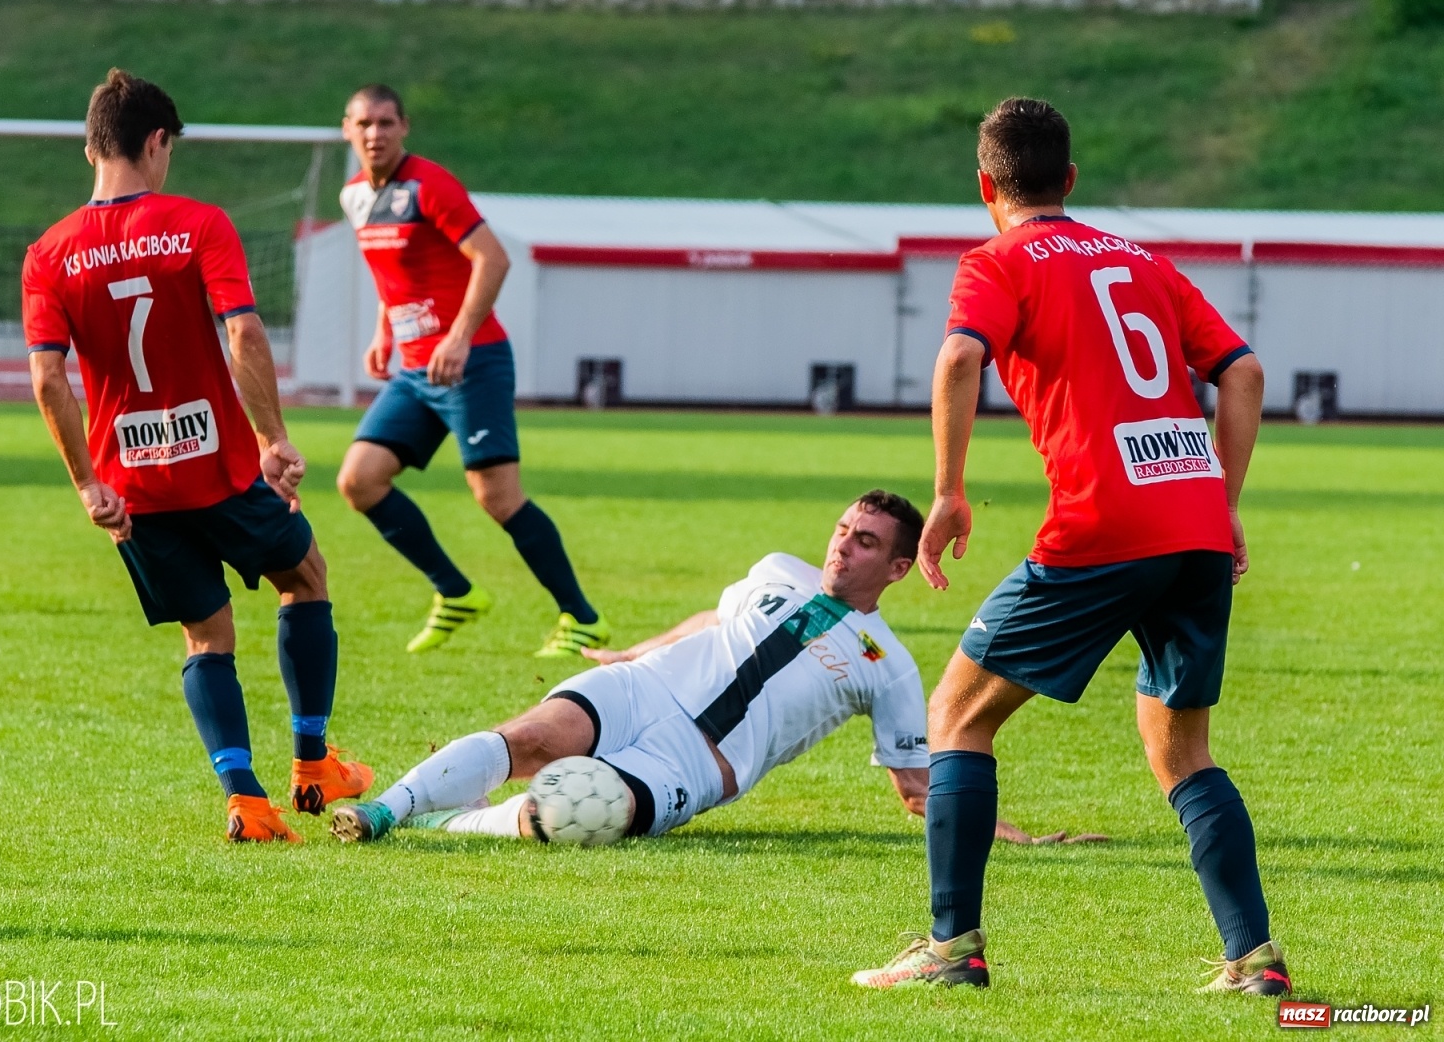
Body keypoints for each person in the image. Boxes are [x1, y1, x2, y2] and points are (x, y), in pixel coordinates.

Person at [851, 99, 1283, 994]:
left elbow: (960, 358)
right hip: (1194, 525)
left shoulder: (996, 261)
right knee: (1183, 750)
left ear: (985, 186)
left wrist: (947, 492)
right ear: (1071, 180)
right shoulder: (1141, 260)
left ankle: (950, 950)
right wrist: (1224, 500)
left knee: (959, 718)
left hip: (1102, 524)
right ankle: (1253, 962)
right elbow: (1242, 370)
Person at [329, 492, 1097, 846]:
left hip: (700, 762)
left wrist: (1012, 836)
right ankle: (383, 813)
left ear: (899, 566)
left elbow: (916, 787)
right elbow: (715, 621)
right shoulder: (776, 568)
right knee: (530, 738)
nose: (842, 544)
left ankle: (450, 821)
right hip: (644, 688)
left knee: (566, 817)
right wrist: (631, 652)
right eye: (841, 528)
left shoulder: (889, 665)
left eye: (865, 541)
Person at [22, 69, 372, 842]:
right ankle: (313, 763)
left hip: (132, 488)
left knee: (206, 634)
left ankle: (245, 801)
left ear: (90, 149)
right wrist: (274, 438)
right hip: (217, 469)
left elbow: (48, 376)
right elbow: (243, 333)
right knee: (305, 574)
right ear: (157, 142)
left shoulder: (48, 254)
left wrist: (86, 484)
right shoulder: (199, 224)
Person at [333, 84, 609, 657]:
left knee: (497, 497)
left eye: (386, 123)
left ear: (404, 127)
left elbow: (494, 257)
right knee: (359, 480)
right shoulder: (354, 194)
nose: (374, 134)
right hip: (414, 370)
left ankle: (583, 619)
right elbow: (394, 275)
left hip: (472, 360)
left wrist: (457, 338)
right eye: (364, 124)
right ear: (346, 129)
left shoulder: (430, 185)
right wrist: (384, 331)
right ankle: (455, 592)